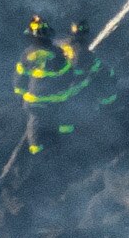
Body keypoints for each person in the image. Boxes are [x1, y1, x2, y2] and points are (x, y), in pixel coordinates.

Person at [12, 14, 114, 155]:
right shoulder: (59, 53)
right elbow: (69, 74)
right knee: (65, 120)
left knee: (34, 124)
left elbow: (19, 77)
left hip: (33, 100)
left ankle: (36, 151)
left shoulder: (27, 53)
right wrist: (81, 83)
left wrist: (20, 94)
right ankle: (65, 146)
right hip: (57, 99)